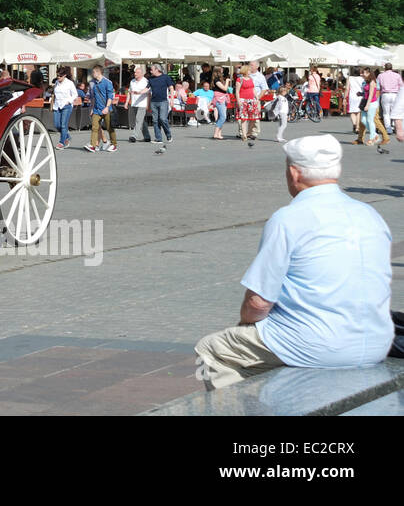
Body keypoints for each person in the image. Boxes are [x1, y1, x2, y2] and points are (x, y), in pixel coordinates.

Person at [194, 135, 393, 390]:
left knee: (214, 349)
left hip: (317, 345)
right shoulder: (370, 215)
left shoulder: (289, 219)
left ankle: (254, 405)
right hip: (377, 341)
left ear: (293, 172)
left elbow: (258, 302)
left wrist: (246, 323)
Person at [84, 65, 116, 153]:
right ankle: (93, 145)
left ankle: (114, 144)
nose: (92, 74)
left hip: (106, 109)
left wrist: (107, 107)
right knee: (95, 127)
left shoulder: (107, 82)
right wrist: (91, 108)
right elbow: (93, 97)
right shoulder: (92, 83)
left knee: (109, 128)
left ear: (98, 72)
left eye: (93, 72)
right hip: (96, 109)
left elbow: (110, 96)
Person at [145, 63, 174, 152]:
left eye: (152, 69)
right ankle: (158, 138)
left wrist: (172, 99)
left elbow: (171, 88)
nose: (150, 71)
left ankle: (168, 135)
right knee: (155, 120)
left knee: (162, 119)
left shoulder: (166, 77)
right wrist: (138, 92)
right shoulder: (151, 79)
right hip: (154, 102)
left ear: (157, 70)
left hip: (163, 101)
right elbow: (147, 89)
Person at [51, 67, 78, 149]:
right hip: (57, 105)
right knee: (57, 124)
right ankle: (66, 135)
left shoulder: (69, 83)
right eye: (57, 75)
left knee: (63, 125)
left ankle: (62, 142)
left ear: (65, 75)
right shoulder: (56, 82)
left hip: (66, 105)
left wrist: (69, 101)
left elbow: (75, 94)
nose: (58, 77)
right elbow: (55, 93)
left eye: (60, 76)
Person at [127, 65, 149, 143]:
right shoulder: (132, 81)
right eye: (135, 72)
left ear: (141, 74)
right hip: (134, 103)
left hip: (142, 103)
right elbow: (129, 92)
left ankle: (134, 136)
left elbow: (148, 93)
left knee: (138, 120)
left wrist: (147, 104)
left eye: (137, 72)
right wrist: (127, 102)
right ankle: (147, 136)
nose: (135, 74)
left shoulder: (145, 81)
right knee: (141, 120)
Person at [345, 67, 365, 142]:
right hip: (360, 95)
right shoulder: (362, 78)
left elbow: (347, 88)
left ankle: (354, 124)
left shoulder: (349, 78)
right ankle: (357, 127)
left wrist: (345, 97)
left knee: (352, 111)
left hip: (352, 96)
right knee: (359, 111)